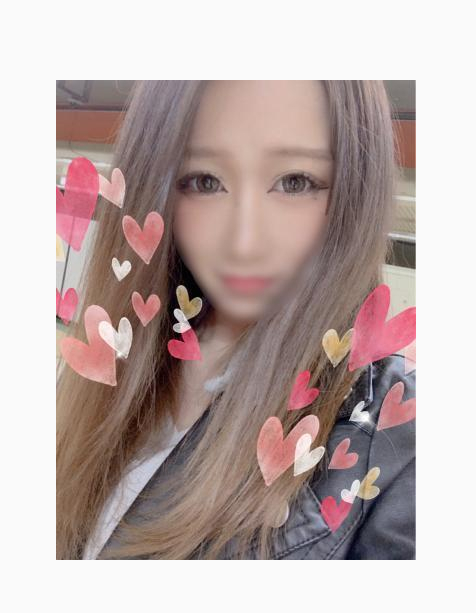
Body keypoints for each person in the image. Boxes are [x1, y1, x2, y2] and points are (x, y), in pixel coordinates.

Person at [56, 80, 415, 560]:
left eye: (295, 182)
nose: (244, 243)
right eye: (204, 181)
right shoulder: (112, 364)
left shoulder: (395, 436)